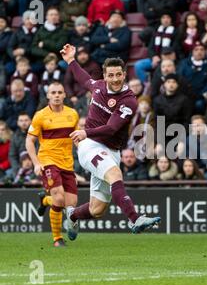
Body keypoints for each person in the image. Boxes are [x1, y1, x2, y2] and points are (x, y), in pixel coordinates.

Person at [60, 43, 161, 239]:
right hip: (89, 146)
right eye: (110, 75)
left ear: (124, 74)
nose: (114, 79)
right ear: (104, 76)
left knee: (97, 210)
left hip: (109, 148)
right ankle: (135, 219)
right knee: (115, 174)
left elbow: (111, 128)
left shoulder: (129, 100)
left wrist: (85, 132)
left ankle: (72, 215)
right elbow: (84, 79)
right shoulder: (98, 87)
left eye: (118, 75)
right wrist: (71, 60)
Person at [25, 81, 79, 247]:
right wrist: (36, 163)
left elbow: (77, 140)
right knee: (59, 196)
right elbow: (29, 141)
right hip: (48, 160)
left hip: (67, 163)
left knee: (70, 205)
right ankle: (57, 238)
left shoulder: (73, 114)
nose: (56, 95)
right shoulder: (40, 115)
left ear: (64, 95)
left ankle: (45, 201)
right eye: (53, 92)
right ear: (48, 95)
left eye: (59, 92)